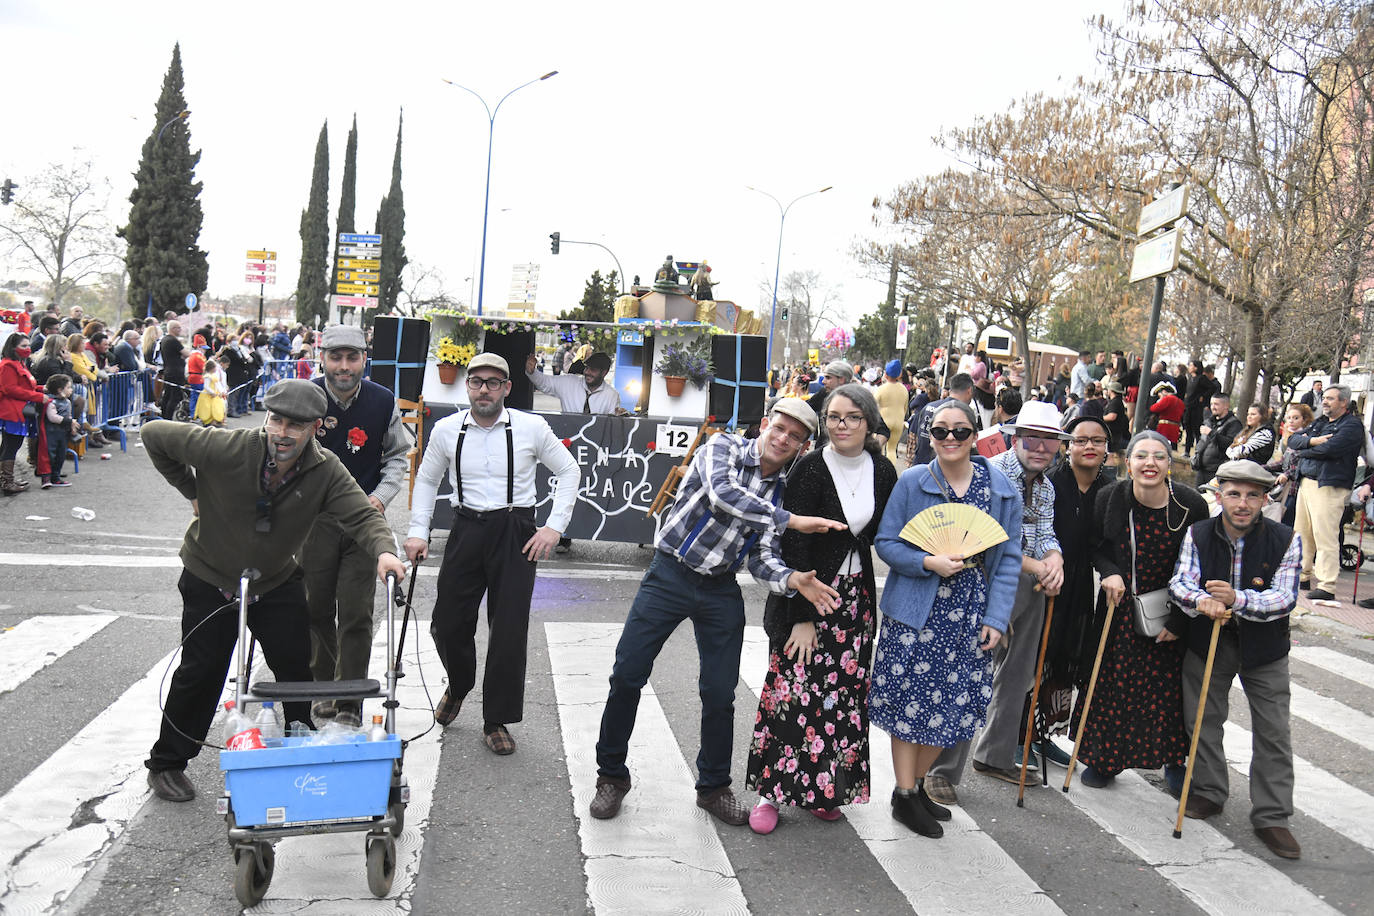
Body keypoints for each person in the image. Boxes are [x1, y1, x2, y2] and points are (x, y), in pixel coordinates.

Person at [142, 379, 406, 802]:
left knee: (295, 664)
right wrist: (191, 490)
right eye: (276, 420)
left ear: (315, 428)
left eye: (295, 426)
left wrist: (385, 553)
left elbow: (362, 516)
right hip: (211, 574)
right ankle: (167, 762)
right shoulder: (228, 448)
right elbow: (153, 434)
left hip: (275, 578)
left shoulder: (325, 470)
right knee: (201, 671)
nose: (282, 433)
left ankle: (297, 742)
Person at [589, 399, 845, 825]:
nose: (783, 439)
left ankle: (713, 787)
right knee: (628, 673)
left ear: (801, 446)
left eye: (795, 437)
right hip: (669, 574)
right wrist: (792, 521)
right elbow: (724, 496)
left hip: (720, 586)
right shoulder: (722, 447)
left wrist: (792, 579)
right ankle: (611, 777)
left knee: (720, 690)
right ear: (765, 424)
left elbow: (762, 557)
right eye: (780, 428)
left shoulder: (781, 490)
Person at [405, 353, 579, 756]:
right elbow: (428, 480)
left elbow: (568, 471)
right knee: (447, 622)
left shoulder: (532, 427)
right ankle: (460, 682)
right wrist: (418, 532)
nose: (484, 389)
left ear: (507, 388)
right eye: (476, 381)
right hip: (466, 527)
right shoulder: (447, 430)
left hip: (515, 529)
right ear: (467, 386)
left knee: (508, 630)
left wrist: (553, 527)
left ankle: (496, 718)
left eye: (493, 382)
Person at [746, 384, 897, 833]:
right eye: (833, 416)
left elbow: (888, 533)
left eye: (851, 417)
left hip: (855, 599)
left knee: (841, 701)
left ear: (869, 422)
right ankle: (770, 794)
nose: (841, 425)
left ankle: (822, 790)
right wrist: (802, 617)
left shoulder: (883, 470)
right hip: (809, 594)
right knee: (791, 695)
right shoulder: (810, 467)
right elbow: (794, 541)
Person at [871, 400, 1022, 836]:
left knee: (954, 709)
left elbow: (1009, 558)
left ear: (975, 434)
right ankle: (904, 795)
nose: (950, 439)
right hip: (916, 610)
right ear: (928, 436)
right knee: (910, 705)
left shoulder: (999, 489)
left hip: (970, 611)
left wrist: (996, 617)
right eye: (940, 432)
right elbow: (887, 543)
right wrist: (926, 561)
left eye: (960, 431)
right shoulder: (914, 482)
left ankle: (916, 786)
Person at [922, 400, 1067, 806]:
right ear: (1016, 437)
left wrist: (1054, 560)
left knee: (1018, 673)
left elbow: (1044, 532)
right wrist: (1039, 565)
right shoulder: (990, 475)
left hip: (1032, 584)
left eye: (1050, 439)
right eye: (1033, 437)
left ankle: (995, 755)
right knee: (969, 674)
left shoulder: (1047, 485)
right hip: (985, 582)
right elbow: (984, 543)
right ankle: (941, 770)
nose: (1040, 446)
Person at [1169, 459, 1302, 860]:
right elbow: (1181, 580)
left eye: (1251, 495)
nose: (1242, 503)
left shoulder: (1284, 538)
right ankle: (1209, 791)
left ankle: (1272, 815)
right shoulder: (1199, 532)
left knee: (1274, 730)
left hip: (1265, 646)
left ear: (1264, 499)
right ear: (1219, 495)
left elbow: (1284, 597)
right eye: (1233, 494)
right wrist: (1202, 600)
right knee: (1202, 720)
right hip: (1210, 638)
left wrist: (1236, 599)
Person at [1073, 430, 1208, 790]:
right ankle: (1107, 758)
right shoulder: (1110, 497)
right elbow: (1096, 546)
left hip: (1174, 607)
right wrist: (1111, 572)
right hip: (1122, 606)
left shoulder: (1192, 505)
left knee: (1169, 693)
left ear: (1170, 464)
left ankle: (1174, 761)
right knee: (1115, 685)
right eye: (1141, 456)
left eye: (1159, 456)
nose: (1150, 463)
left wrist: (1180, 620)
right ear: (1128, 463)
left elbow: (1200, 564)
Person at [303, 326, 409, 727]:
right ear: (323, 358)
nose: (344, 367)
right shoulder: (307, 395)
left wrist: (379, 498)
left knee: (356, 613)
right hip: (314, 521)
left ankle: (349, 698)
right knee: (314, 610)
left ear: (365, 359)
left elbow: (398, 456)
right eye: (336, 357)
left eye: (352, 357)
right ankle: (321, 690)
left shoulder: (382, 401)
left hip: (364, 523)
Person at [1035, 415, 1112, 765]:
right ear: (1067, 447)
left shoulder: (1110, 491)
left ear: (1107, 449)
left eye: (1097, 441)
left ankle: (1045, 734)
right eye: (1081, 440)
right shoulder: (1050, 484)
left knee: (1066, 660)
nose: (1089, 447)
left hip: (1080, 587)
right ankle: (1021, 735)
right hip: (1044, 583)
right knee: (1037, 658)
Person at [1287, 383, 1365, 600]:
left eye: (1331, 398)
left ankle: (1327, 585)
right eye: (1325, 397)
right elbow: (1293, 439)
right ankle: (1302, 575)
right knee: (1302, 533)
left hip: (1330, 485)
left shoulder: (1351, 426)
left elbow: (1330, 449)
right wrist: (1311, 441)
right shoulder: (1320, 422)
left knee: (1325, 535)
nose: (1325, 401)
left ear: (1344, 402)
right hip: (1307, 482)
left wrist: (1305, 451)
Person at [0, 333, 46, 494]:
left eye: (28, 345)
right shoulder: (8, 365)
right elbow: (10, 389)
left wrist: (43, 389)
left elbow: (26, 386)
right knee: (11, 445)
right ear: (13, 348)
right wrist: (39, 396)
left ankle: (6, 480)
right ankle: (7, 482)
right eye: (23, 346)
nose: (27, 349)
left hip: (19, 411)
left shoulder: (19, 363)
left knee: (10, 445)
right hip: (11, 412)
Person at [524, 350, 625, 414]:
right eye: (587, 368)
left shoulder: (612, 395)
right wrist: (532, 372)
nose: (588, 372)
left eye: (593, 370)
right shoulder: (569, 382)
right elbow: (545, 382)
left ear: (604, 373)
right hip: (567, 441)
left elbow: (612, 423)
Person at [909, 372, 977, 465]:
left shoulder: (929, 406)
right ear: (969, 391)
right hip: (943, 469)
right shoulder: (963, 414)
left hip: (919, 463)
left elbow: (917, 435)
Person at [1266, 404, 1313, 527]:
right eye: (1289, 417)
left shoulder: (1306, 438)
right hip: (1286, 487)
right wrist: (1264, 467)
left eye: (1296, 418)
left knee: (1288, 522)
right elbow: (1284, 461)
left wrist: (1287, 474)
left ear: (1305, 419)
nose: (1291, 421)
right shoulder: (1289, 437)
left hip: (1296, 488)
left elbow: (1302, 462)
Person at [1192, 393, 1242, 484]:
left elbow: (1230, 445)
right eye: (1211, 404)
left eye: (1216, 404)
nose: (1213, 407)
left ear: (1226, 406)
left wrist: (1211, 433)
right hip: (1201, 469)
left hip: (1217, 471)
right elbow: (1202, 442)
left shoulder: (1234, 424)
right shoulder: (1208, 422)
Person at [41, 374, 78, 488]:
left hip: (63, 432)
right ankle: (46, 478)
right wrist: (69, 421)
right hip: (51, 432)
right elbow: (52, 417)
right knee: (49, 455)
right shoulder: (51, 402)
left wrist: (72, 427)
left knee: (61, 454)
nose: (71, 390)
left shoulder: (67, 402)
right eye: (68, 387)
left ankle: (56, 477)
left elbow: (69, 415)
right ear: (60, 390)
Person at [874, 359, 908, 465]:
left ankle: (879, 469)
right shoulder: (904, 389)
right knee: (892, 449)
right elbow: (905, 407)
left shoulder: (881, 389)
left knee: (879, 448)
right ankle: (891, 470)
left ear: (886, 374)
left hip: (883, 421)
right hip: (898, 421)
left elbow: (872, 405)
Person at [159, 320, 188, 420]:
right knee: (175, 396)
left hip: (168, 370)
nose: (180, 330)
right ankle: (168, 418)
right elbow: (186, 353)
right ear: (172, 329)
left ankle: (164, 416)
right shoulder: (173, 340)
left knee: (167, 395)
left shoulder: (164, 339)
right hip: (176, 371)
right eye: (178, 328)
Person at [193, 355, 228, 427]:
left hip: (215, 395)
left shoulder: (214, 375)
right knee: (208, 408)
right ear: (211, 368)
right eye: (215, 367)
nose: (216, 368)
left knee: (217, 407)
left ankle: (216, 420)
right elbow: (206, 386)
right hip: (208, 396)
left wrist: (222, 391)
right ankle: (209, 421)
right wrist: (212, 392)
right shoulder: (207, 376)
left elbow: (218, 385)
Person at [1147, 380, 1185, 447]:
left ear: (1164, 392)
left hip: (1164, 428)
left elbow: (1153, 408)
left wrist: (1160, 401)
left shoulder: (1167, 399)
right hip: (1175, 429)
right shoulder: (1180, 402)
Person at [1101, 379, 1129, 454]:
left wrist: (1100, 418)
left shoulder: (1115, 402)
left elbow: (1112, 416)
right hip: (1117, 435)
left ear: (1112, 391)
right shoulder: (1117, 401)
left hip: (1115, 436)